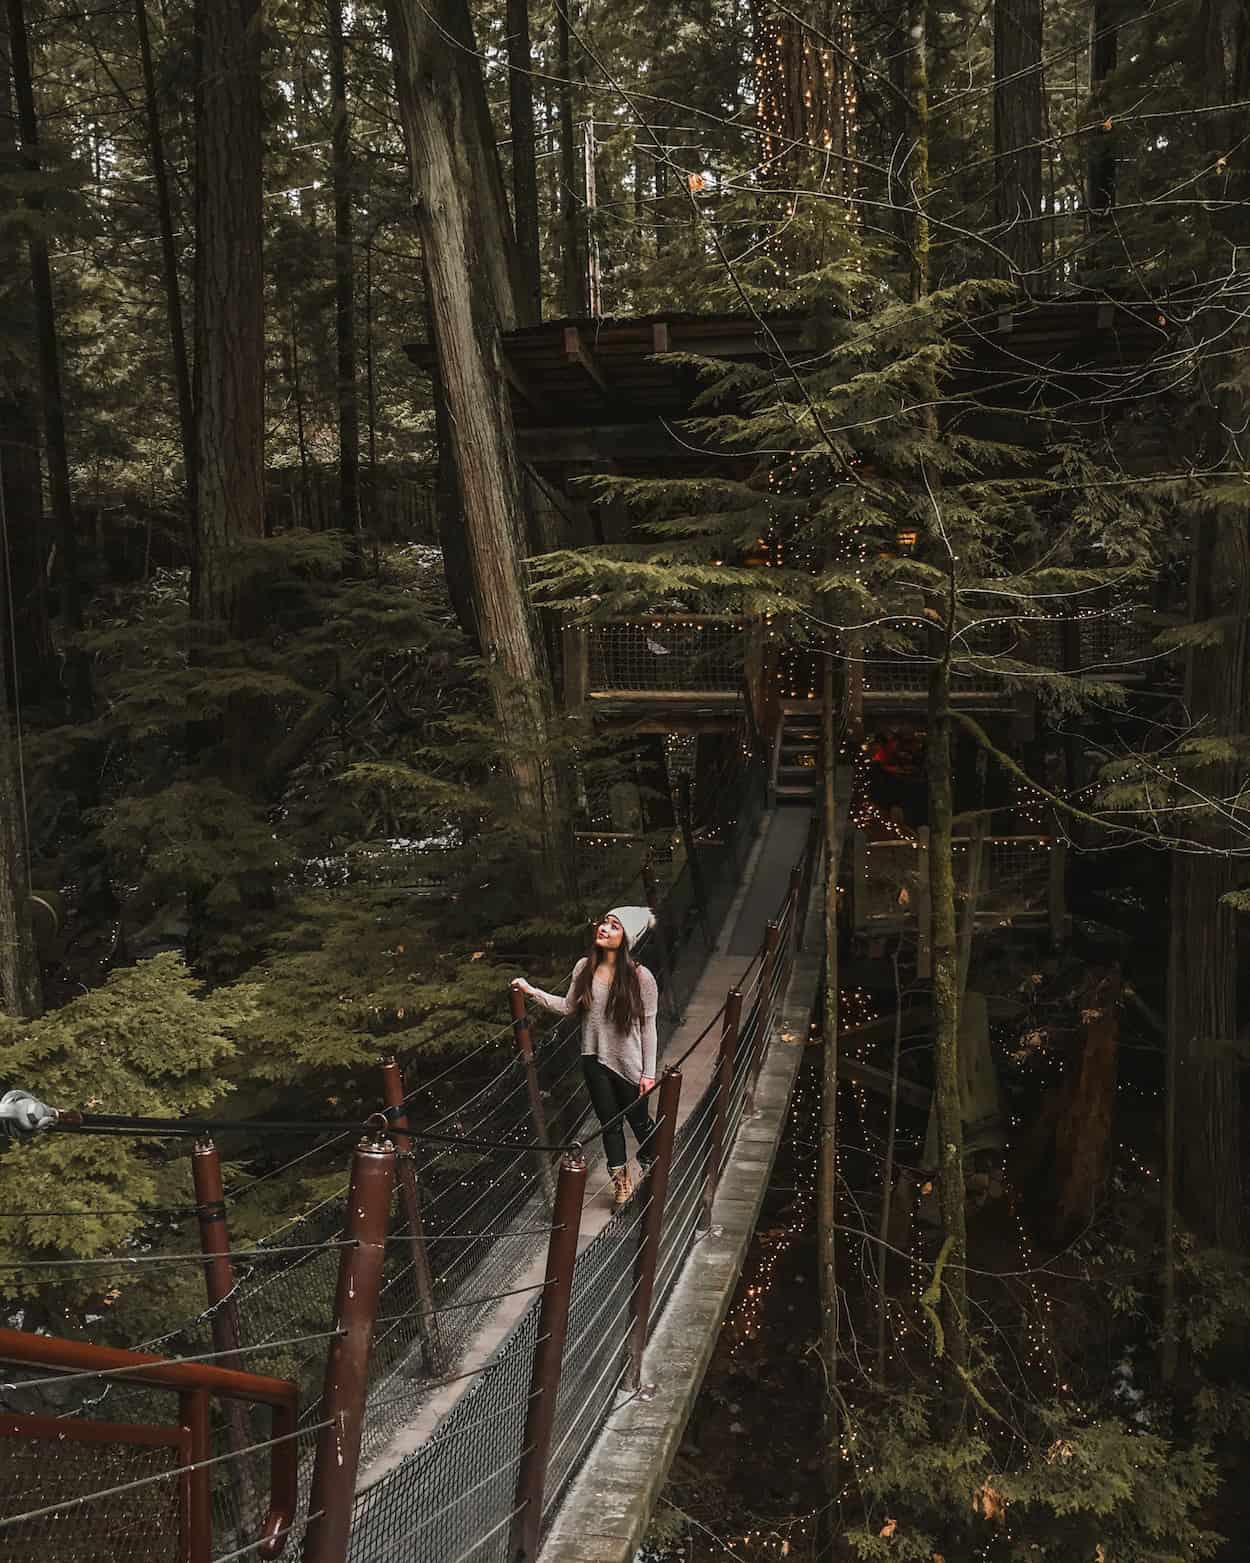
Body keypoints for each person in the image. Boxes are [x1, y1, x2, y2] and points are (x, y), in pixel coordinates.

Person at [512, 907, 659, 1208]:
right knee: (609, 1124)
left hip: (629, 1063)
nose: (604, 928)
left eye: (614, 926)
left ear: (627, 938)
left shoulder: (641, 977)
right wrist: (530, 991)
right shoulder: (584, 967)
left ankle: (656, 1163)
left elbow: (649, 1028)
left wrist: (649, 1073)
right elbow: (567, 1007)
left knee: (640, 1122)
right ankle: (622, 1184)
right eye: (605, 922)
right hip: (593, 1059)